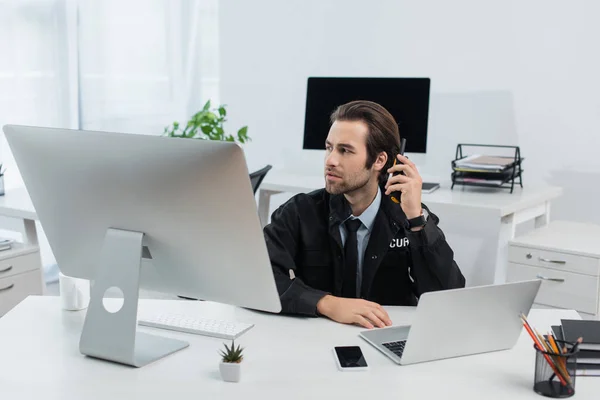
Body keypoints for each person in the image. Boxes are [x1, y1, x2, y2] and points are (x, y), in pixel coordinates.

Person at [264, 100, 465, 329]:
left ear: (379, 160)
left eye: (345, 150)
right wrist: (326, 303)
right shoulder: (299, 212)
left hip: (389, 335)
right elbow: (258, 281)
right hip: (317, 339)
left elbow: (449, 298)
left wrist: (417, 220)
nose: (330, 160)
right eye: (329, 147)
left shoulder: (409, 218)